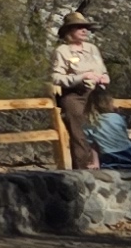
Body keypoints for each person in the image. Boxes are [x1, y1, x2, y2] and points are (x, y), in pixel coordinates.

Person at [47, 11, 112, 171]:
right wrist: (80, 77)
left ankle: (111, 164)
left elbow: (103, 70)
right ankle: (83, 169)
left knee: (106, 125)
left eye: (86, 28)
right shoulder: (62, 51)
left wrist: (104, 77)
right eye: (79, 28)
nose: (84, 31)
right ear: (70, 31)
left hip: (97, 93)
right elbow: (56, 77)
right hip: (75, 95)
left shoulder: (92, 48)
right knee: (79, 131)